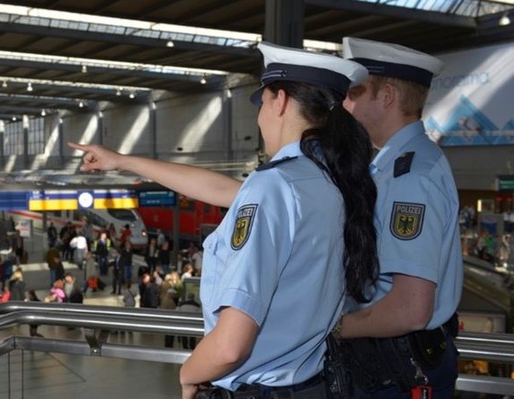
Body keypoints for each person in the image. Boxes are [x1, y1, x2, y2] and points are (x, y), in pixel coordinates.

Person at [68, 40, 379, 399]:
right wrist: (122, 161)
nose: (260, 116)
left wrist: (189, 373)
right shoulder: (329, 182)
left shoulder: (275, 186)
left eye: (262, 102)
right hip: (313, 385)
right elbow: (222, 189)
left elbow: (231, 346)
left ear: (279, 101)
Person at [335, 37, 463, 398]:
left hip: (397, 370)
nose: (344, 104)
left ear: (387, 96)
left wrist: (329, 328)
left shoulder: (411, 178)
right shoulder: (392, 166)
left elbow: (409, 309)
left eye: (354, 94)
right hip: (389, 364)